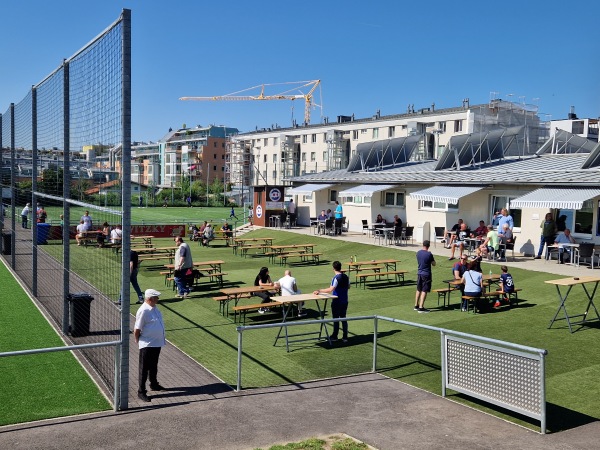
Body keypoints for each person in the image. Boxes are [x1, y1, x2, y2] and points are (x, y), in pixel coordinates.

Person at [134, 288, 166, 402]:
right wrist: (138, 340)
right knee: (144, 367)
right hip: (147, 344)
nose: (158, 299)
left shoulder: (155, 308)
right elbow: (137, 328)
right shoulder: (144, 311)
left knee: (154, 365)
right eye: (156, 297)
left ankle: (154, 384)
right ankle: (141, 391)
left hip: (156, 343)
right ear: (150, 299)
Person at [313, 261, 350, 342]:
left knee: (336, 318)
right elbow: (348, 287)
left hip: (337, 301)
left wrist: (319, 291)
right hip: (344, 300)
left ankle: (335, 336)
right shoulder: (346, 277)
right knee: (343, 318)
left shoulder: (336, 278)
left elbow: (330, 289)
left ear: (333, 268)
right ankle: (345, 336)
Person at [415, 240, 436, 313]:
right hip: (426, 274)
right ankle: (421, 307)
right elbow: (434, 264)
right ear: (428, 246)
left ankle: (416, 305)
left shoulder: (418, 253)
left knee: (418, 289)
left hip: (419, 273)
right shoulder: (429, 254)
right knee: (424, 290)